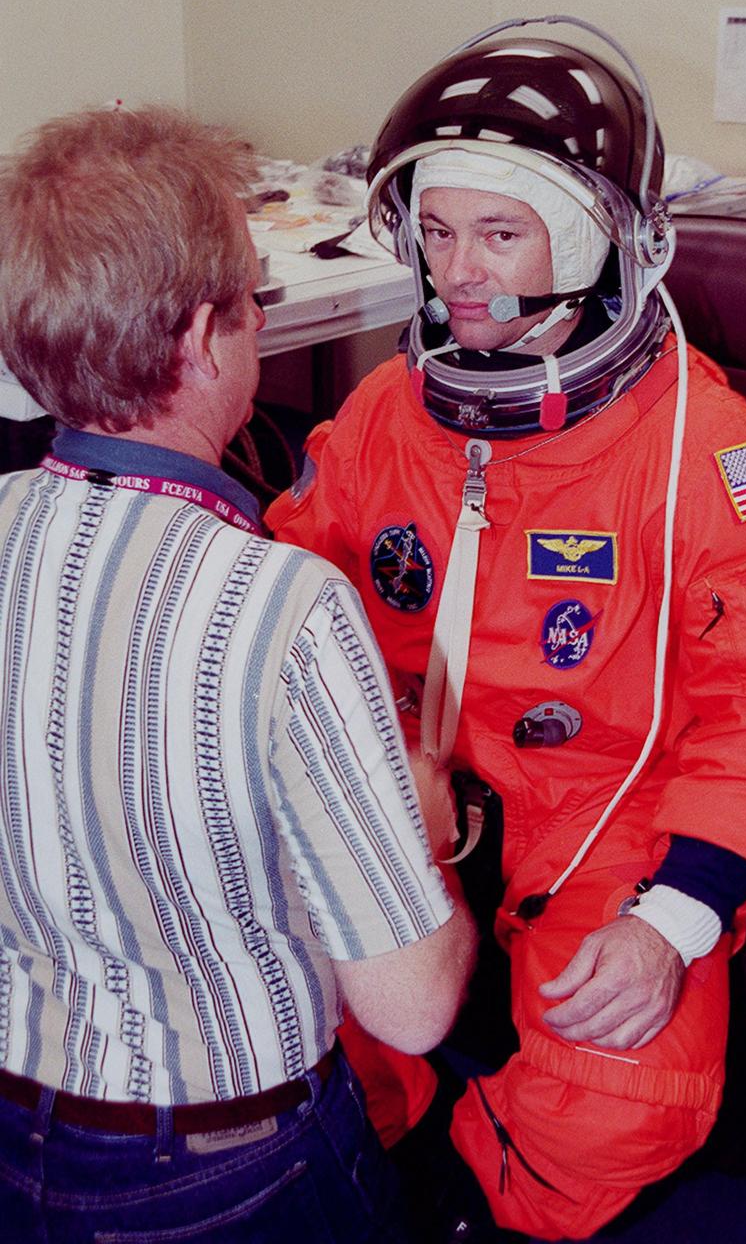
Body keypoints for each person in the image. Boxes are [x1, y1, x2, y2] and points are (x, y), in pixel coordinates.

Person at [266, 17, 746, 1242]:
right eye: (436, 233)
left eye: (499, 233)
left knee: (609, 1101)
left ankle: (485, 1201)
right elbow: (287, 586)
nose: (459, 276)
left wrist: (673, 917)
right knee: (299, 1030)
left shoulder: (705, 449)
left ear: (596, 242)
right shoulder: (388, 412)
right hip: (402, 785)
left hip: (603, 814)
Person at [0, 103, 475, 1244]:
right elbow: (412, 1012)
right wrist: (416, 829)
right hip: (227, 1170)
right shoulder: (283, 605)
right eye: (256, 303)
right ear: (207, 340)